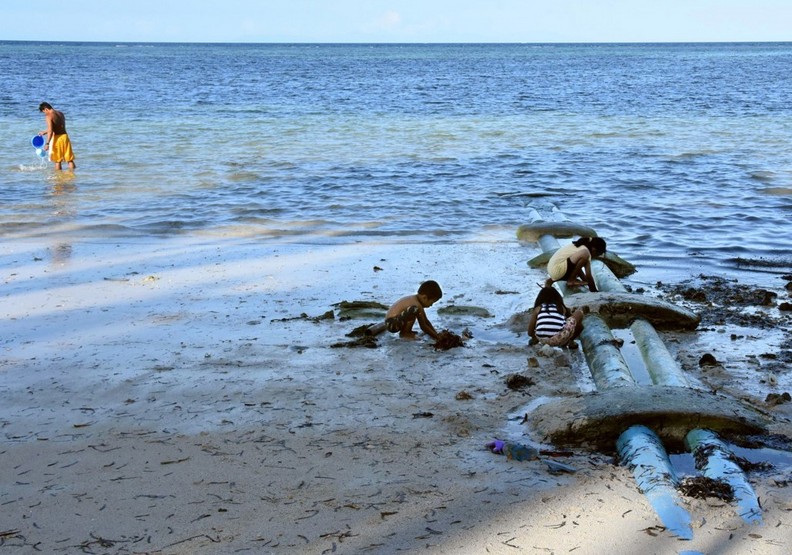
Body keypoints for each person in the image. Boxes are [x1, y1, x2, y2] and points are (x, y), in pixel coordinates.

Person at [368, 280, 443, 340]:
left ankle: (407, 331)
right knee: (414, 310)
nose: (431, 305)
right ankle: (405, 333)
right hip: (392, 323)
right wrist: (436, 337)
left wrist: (435, 333)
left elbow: (426, 321)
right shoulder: (416, 305)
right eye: (432, 302)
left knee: (414, 310)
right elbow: (423, 326)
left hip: (393, 321)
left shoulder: (416, 301)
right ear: (424, 297)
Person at [38, 102, 76, 170]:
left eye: (44, 112)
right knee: (69, 159)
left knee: (57, 161)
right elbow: (58, 127)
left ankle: (58, 176)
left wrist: (47, 143)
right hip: (65, 137)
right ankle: (73, 174)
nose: (45, 113)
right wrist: (45, 132)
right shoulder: (60, 113)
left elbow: (51, 131)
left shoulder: (49, 116)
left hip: (58, 138)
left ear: (46, 109)